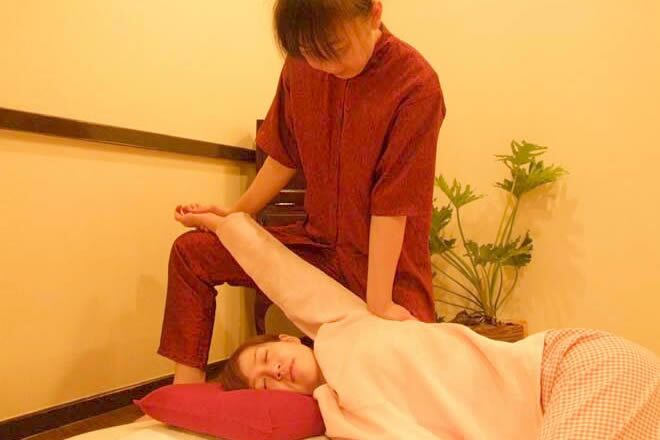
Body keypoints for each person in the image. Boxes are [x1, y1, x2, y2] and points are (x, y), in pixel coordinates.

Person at [175, 210, 659, 440]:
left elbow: (283, 275)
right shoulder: (340, 417)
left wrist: (226, 226)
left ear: (286, 337)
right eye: (265, 384)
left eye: (267, 358)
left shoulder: (341, 323)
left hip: (567, 369)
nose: (275, 372)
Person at [159, 0, 446, 384]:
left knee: (406, 375)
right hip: (316, 249)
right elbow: (284, 152)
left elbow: (393, 205)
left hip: (386, 269)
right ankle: (184, 392)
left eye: (335, 51)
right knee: (192, 252)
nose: (323, 66)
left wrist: (379, 303)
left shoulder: (416, 85)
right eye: (310, 54)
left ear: (374, 12)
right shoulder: (302, 64)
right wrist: (236, 217)